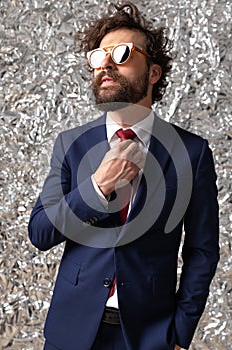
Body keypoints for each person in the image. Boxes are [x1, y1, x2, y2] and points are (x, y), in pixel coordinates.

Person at [28, 2, 220, 350]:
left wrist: (179, 333)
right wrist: (97, 188)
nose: (107, 64)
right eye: (100, 56)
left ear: (153, 73)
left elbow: (202, 251)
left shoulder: (192, 153)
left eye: (122, 53)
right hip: (71, 332)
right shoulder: (71, 144)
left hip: (149, 336)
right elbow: (40, 232)